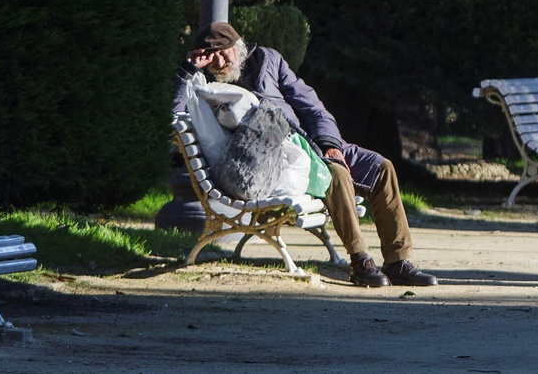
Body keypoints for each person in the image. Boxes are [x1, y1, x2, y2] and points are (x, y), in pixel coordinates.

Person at [174, 22, 438, 288]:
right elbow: (175, 109)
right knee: (335, 174)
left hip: (313, 142)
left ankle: (398, 262)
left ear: (238, 47)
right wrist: (187, 68)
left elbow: (311, 105)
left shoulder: (267, 60)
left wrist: (329, 143)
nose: (219, 61)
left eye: (224, 51)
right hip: (278, 162)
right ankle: (360, 261)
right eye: (211, 55)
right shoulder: (203, 84)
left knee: (381, 167)